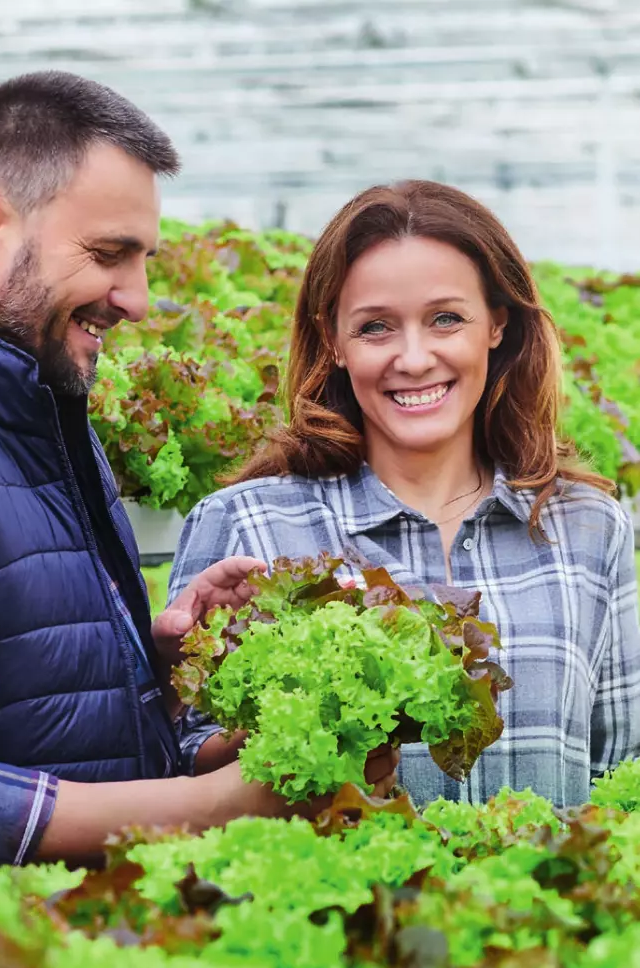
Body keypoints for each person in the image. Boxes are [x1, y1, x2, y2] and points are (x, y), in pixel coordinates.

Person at [0, 72, 398, 868]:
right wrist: (216, 806)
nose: (138, 298)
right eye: (110, 254)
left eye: (143, 258)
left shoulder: (17, 390)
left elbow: (10, 692)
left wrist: (154, 657)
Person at [168, 179, 640, 809]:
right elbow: (181, 763)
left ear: (497, 323)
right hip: (348, 908)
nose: (414, 359)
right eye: (376, 328)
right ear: (333, 340)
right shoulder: (247, 524)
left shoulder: (589, 528)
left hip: (534, 907)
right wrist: (315, 714)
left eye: (446, 318)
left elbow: (621, 776)